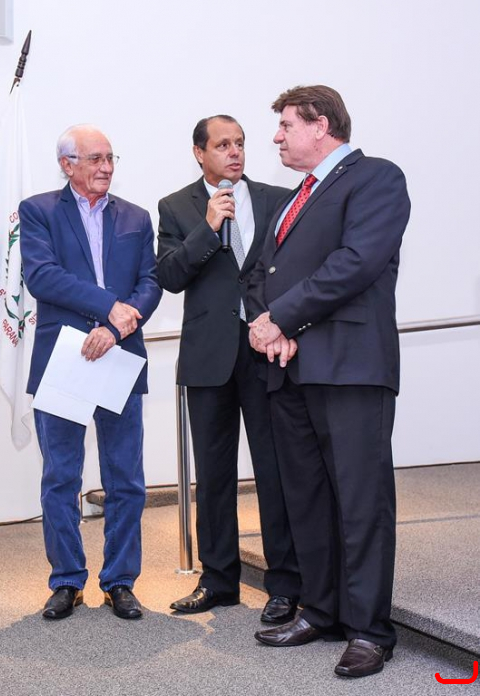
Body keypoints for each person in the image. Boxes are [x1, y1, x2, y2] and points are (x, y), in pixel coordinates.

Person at [248, 85, 410, 678]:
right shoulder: (296, 197)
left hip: (350, 368)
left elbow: (356, 262)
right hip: (291, 368)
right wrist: (269, 325)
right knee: (308, 499)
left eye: (287, 125)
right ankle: (321, 610)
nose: (277, 137)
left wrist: (283, 318)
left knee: (362, 502)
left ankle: (369, 630)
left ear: (321, 125)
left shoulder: (376, 178)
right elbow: (261, 272)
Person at [157, 116, 300, 623]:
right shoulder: (177, 206)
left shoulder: (277, 199)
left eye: (239, 143)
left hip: (266, 350)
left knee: (274, 471)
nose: (235, 152)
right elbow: (169, 275)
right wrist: (208, 226)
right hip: (209, 355)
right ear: (200, 153)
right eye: (222, 145)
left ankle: (286, 583)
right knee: (214, 476)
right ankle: (218, 581)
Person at [19, 125, 162, 621]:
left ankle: (120, 581)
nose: (106, 167)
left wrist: (116, 327)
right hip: (65, 356)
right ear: (67, 164)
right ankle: (66, 581)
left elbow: (150, 282)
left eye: (110, 158)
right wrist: (108, 308)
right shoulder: (38, 211)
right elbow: (42, 277)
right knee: (61, 477)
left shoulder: (137, 217)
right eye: (94, 158)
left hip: (119, 354)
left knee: (126, 479)